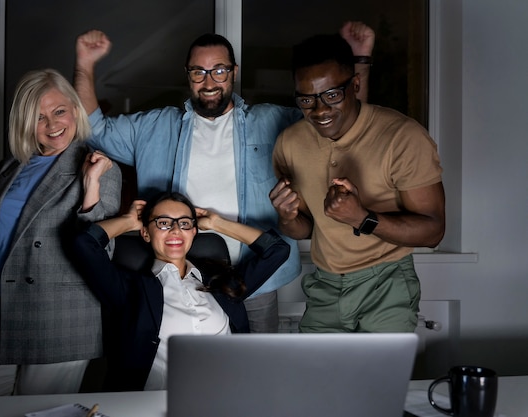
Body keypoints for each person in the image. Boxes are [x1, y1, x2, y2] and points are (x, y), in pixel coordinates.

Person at [73, 22, 375, 333]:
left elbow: (341, 122)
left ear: (234, 71)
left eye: (219, 70)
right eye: (198, 72)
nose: (209, 81)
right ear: (187, 74)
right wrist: (85, 62)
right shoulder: (154, 126)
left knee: (255, 373)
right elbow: (94, 129)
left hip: (253, 278)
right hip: (176, 282)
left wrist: (360, 61)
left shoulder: (272, 122)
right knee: (179, 371)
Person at [0, 69, 122, 396]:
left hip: (57, 317)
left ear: (74, 109)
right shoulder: (11, 167)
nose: (53, 124)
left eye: (59, 111)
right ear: (25, 123)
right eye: (39, 117)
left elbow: (99, 252)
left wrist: (92, 183)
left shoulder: (98, 165)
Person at [269, 33, 445, 333]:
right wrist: (287, 217)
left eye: (332, 95)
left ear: (356, 85)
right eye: (307, 99)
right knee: (315, 380)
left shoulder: (403, 137)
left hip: (386, 284)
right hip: (325, 285)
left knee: (379, 380)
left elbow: (433, 231)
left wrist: (362, 218)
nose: (320, 110)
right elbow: (306, 227)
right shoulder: (289, 143)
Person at [71, 192, 290, 391]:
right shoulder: (130, 290)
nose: (176, 230)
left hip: (229, 396)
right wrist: (128, 222)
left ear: (194, 232)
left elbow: (276, 250)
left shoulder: (222, 284)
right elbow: (83, 243)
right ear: (145, 233)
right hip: (159, 403)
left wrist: (218, 223)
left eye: (184, 223)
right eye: (163, 223)